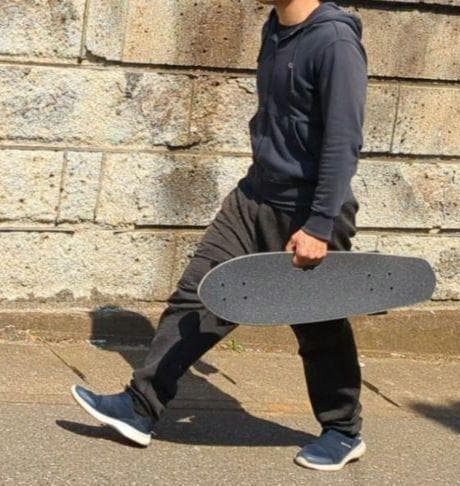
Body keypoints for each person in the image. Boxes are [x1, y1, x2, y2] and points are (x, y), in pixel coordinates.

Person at [71, 0, 368, 472]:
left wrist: (318, 226)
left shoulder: (334, 42)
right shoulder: (275, 28)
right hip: (255, 195)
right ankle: (141, 406)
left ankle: (343, 431)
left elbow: (343, 141)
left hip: (308, 211)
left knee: (318, 328)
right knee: (198, 294)